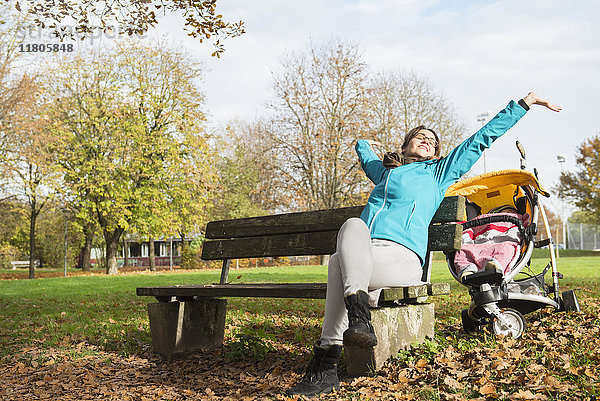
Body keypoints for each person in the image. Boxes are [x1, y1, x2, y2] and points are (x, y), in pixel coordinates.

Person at [285, 92, 561, 397]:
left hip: (401, 261)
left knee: (340, 260)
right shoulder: (385, 174)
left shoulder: (439, 173)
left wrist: (523, 104)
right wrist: (366, 144)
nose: (427, 140)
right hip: (362, 259)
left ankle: (326, 360)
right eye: (419, 136)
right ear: (405, 146)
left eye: (432, 139)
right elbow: (365, 156)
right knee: (351, 230)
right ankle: (356, 321)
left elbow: (482, 138)